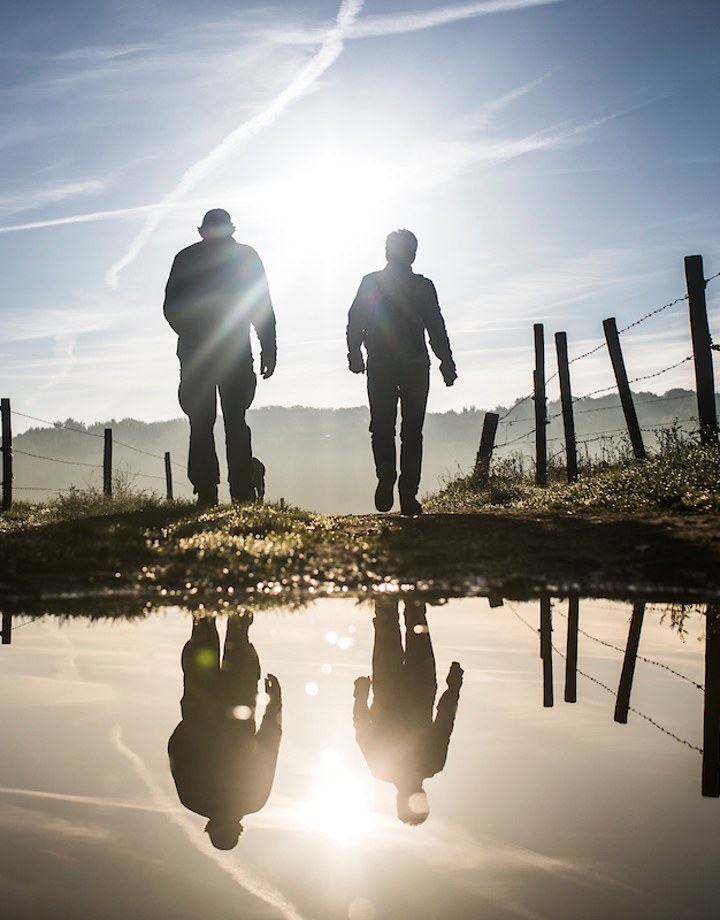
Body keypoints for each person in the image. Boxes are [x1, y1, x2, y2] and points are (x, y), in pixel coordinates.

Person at [163, 209, 276, 507]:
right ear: (231, 229)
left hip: (197, 352)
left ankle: (207, 492)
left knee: (201, 423)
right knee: (235, 421)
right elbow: (261, 306)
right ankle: (241, 492)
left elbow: (171, 307)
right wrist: (268, 347)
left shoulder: (185, 258)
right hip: (234, 350)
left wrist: (191, 332)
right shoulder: (245, 256)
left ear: (202, 230)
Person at [346, 229, 457, 516]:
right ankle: (408, 493)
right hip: (415, 365)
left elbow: (355, 319)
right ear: (413, 254)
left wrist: (354, 352)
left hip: (380, 364)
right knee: (412, 430)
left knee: (381, 425)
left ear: (386, 253)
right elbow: (436, 326)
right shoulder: (423, 286)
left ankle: (385, 470)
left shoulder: (371, 282)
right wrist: (446, 361)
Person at [168, 613, 282, 849]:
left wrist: (274, 705)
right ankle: (211, 599)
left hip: (231, 702)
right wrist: (192, 724)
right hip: (205, 704)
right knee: (208, 630)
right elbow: (175, 749)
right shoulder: (192, 800)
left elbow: (269, 745)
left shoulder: (252, 800)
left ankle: (222, 598)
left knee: (231, 633)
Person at [353, 596, 463, 825]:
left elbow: (445, 720)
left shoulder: (431, 763)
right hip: (399, 684)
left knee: (410, 619)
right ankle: (395, 582)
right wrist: (360, 696)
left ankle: (399, 582)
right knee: (393, 621)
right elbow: (361, 728)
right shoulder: (382, 768)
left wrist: (454, 687)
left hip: (412, 684)